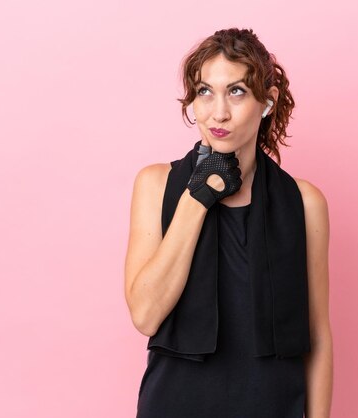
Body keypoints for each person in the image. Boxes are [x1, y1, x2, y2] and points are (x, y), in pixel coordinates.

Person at [124, 28, 333, 418]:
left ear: (267, 103)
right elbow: (145, 314)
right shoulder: (155, 184)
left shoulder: (304, 202)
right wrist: (198, 195)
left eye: (236, 91)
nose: (218, 112)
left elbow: (317, 336)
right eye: (205, 91)